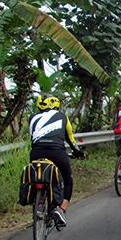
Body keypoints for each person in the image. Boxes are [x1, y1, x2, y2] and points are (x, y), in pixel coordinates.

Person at [28, 95, 86, 226]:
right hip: (57, 153)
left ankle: (37, 203)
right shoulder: (62, 117)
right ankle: (61, 209)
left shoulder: (32, 118)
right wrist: (78, 152)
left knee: (36, 177)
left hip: (36, 152)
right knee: (68, 181)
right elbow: (70, 139)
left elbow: (33, 137)